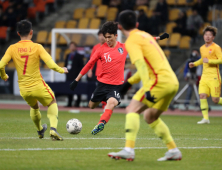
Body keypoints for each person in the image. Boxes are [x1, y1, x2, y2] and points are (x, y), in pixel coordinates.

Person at [70, 21, 169, 135]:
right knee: (91, 106)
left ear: (116, 36)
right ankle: (104, 100)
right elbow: (89, 64)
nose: (107, 40)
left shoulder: (124, 47)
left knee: (111, 103)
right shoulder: (100, 49)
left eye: (109, 37)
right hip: (102, 84)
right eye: (105, 37)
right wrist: (76, 80)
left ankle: (101, 123)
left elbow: (144, 41)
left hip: (116, 86)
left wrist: (159, 37)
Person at [108, 10, 181, 162]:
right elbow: (148, 66)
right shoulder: (146, 36)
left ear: (119, 27)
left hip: (158, 81)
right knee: (150, 116)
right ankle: (173, 150)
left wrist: (147, 90)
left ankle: (128, 149)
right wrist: (128, 83)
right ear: (137, 24)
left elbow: (141, 66)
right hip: (172, 82)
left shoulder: (132, 41)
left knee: (132, 108)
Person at [0, 20, 68, 140]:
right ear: (31, 32)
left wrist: (4, 76)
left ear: (18, 33)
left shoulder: (12, 48)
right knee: (52, 101)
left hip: (23, 89)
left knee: (34, 107)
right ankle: (53, 129)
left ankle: (40, 130)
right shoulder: (37, 47)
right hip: (37, 85)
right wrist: (61, 70)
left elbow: (0, 65)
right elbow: (51, 65)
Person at [189, 26, 222, 124]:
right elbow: (203, 60)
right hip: (204, 77)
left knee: (215, 100)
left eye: (210, 35)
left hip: (214, 77)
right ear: (203, 36)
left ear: (213, 37)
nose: (207, 37)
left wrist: (210, 61)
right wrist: (194, 63)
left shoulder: (216, 47)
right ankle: (206, 118)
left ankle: (206, 118)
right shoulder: (202, 48)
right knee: (202, 95)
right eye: (206, 35)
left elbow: (221, 59)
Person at [64, 42, 84, 107]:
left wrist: (78, 75)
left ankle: (77, 103)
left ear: (75, 47)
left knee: (78, 89)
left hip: (76, 76)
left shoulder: (79, 56)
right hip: (69, 76)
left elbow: (81, 66)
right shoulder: (68, 55)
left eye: (73, 46)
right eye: (71, 46)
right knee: (69, 89)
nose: (72, 47)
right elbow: (65, 65)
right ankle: (69, 103)